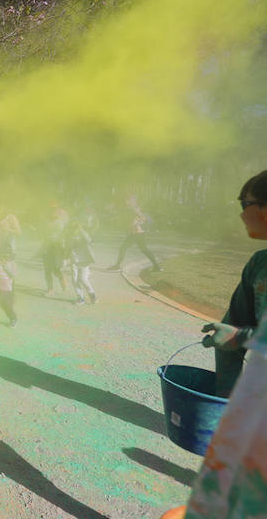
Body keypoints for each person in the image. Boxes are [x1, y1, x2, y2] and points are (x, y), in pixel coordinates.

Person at [161, 170, 267, 519]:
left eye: (243, 203)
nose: (240, 214)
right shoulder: (258, 264)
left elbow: (237, 336)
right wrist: (225, 401)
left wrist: (240, 337)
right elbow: (230, 332)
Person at [108, 194, 162, 272]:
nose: (126, 202)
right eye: (126, 200)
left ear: (133, 201)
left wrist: (137, 223)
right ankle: (157, 267)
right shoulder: (131, 208)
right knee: (144, 250)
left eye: (128, 200)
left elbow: (144, 218)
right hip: (137, 233)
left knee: (123, 248)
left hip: (136, 233)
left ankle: (117, 265)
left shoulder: (134, 209)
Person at [41, 200, 70, 297]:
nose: (52, 210)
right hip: (47, 246)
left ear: (58, 209)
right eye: (51, 208)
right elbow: (42, 232)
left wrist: (65, 246)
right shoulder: (45, 218)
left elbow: (67, 232)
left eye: (54, 208)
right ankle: (50, 289)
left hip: (58, 247)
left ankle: (63, 281)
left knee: (57, 269)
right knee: (47, 269)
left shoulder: (63, 218)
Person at [65, 220, 97, 305]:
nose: (73, 230)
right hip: (74, 260)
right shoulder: (69, 235)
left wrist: (81, 230)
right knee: (74, 279)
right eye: (71, 228)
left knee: (83, 279)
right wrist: (65, 257)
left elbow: (89, 240)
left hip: (84, 260)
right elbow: (68, 247)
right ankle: (80, 298)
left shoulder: (83, 234)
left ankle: (92, 295)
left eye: (75, 228)